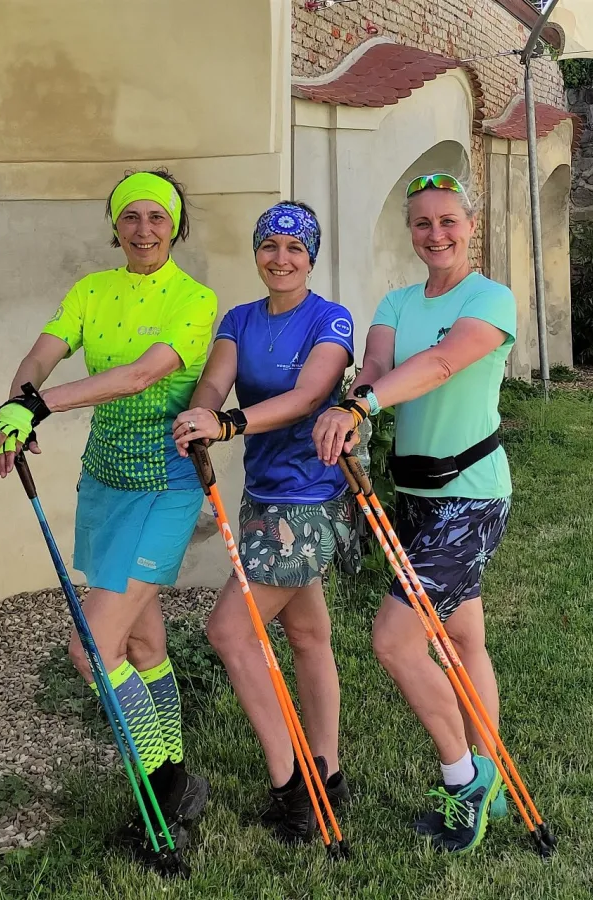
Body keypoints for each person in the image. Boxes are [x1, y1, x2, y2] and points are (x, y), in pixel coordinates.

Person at [0, 169, 216, 853]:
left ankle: (165, 788)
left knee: (90, 649)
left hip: (164, 487)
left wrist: (40, 406)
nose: (143, 229)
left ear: (175, 226)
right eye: (130, 217)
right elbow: (43, 352)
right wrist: (16, 406)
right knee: (141, 646)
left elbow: (141, 375)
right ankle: (176, 785)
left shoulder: (194, 298)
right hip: (105, 484)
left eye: (157, 216)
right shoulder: (91, 290)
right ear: (114, 225)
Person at [313, 173, 515, 854]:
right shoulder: (397, 301)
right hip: (414, 498)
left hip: (472, 496)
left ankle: (464, 779)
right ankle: (491, 774)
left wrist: (363, 404)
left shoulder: (489, 299)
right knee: (462, 638)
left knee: (395, 640)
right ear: (410, 231)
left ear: (470, 225)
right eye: (422, 223)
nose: (436, 234)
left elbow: (440, 364)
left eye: (448, 221)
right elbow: (375, 363)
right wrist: (356, 401)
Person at [172, 202, 359, 844]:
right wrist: (198, 415)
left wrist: (227, 424)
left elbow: (308, 398)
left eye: (294, 248)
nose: (281, 259)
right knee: (306, 634)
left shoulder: (330, 319)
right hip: (263, 495)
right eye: (269, 246)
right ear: (257, 252)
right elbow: (213, 384)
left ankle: (293, 788)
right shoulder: (240, 319)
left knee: (228, 631)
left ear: (312, 257)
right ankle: (329, 774)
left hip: (309, 498)